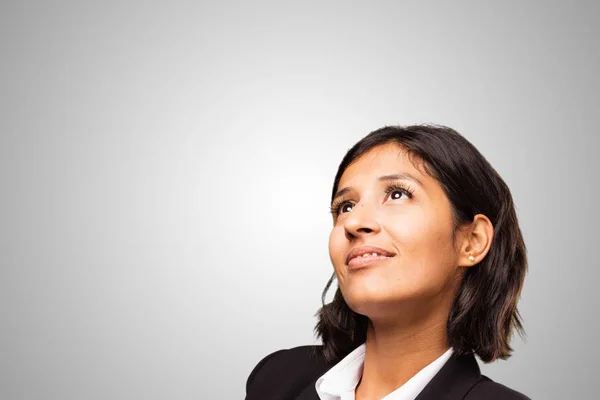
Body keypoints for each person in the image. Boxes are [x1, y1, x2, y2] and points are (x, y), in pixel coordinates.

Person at [245, 125, 530, 400]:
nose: (354, 222)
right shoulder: (277, 380)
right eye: (346, 207)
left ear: (473, 241)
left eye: (397, 194)